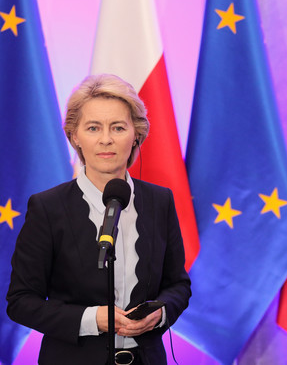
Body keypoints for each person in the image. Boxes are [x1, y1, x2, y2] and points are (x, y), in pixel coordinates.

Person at [7, 74, 191, 364]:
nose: (106, 139)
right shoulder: (47, 208)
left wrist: (160, 313)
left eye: (118, 127)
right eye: (93, 128)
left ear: (136, 135)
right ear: (74, 135)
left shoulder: (160, 201)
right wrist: (92, 318)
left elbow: (178, 285)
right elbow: (21, 302)